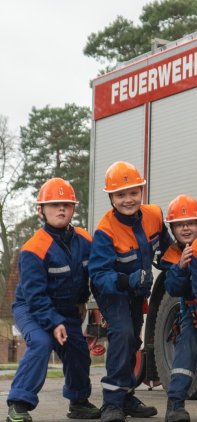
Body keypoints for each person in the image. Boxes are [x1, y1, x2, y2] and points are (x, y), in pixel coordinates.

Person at [6, 178, 101, 422]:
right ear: (41, 210)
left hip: (66, 310)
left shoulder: (85, 240)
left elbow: (93, 276)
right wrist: (54, 322)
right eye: (54, 204)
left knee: (78, 350)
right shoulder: (33, 249)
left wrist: (90, 304)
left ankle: (78, 402)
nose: (61, 209)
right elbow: (35, 296)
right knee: (40, 342)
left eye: (66, 205)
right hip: (31, 308)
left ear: (73, 209)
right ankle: (18, 405)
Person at [89, 161, 171, 422]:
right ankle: (112, 403)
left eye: (133, 193)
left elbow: (167, 250)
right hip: (113, 292)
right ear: (111, 197)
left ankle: (125, 397)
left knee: (133, 341)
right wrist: (126, 281)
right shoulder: (105, 231)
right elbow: (99, 275)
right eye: (121, 195)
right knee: (123, 335)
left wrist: (181, 265)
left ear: (141, 191)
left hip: (138, 292)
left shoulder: (154, 215)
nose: (128, 200)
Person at [157, 195, 197, 422]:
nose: (186, 228)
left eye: (192, 222)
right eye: (179, 224)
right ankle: (175, 405)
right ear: (172, 228)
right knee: (186, 348)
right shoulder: (172, 255)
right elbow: (174, 288)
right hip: (193, 313)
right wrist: (182, 267)